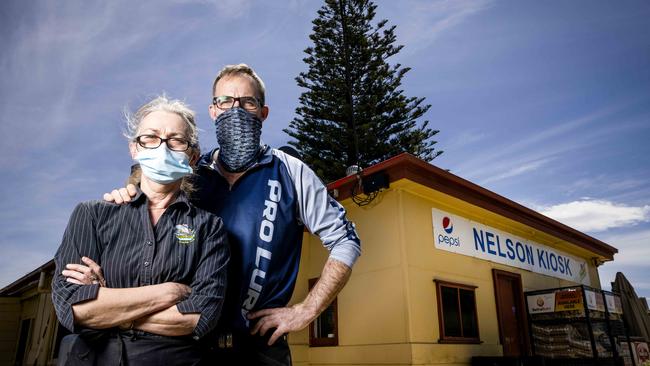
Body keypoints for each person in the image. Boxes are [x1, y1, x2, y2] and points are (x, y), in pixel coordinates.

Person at [81, 64, 362, 365]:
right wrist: (123, 203)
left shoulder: (290, 171)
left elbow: (346, 239)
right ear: (213, 111)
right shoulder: (187, 173)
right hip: (184, 343)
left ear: (262, 113)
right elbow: (147, 225)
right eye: (225, 101)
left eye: (247, 102)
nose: (235, 110)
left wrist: (306, 310)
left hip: (260, 346)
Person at [52, 95, 230, 365]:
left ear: (192, 156)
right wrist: (169, 292)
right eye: (150, 137)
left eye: (176, 140)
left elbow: (199, 317)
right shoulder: (92, 214)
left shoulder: (209, 227)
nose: (163, 147)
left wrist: (110, 305)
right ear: (134, 149)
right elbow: (71, 305)